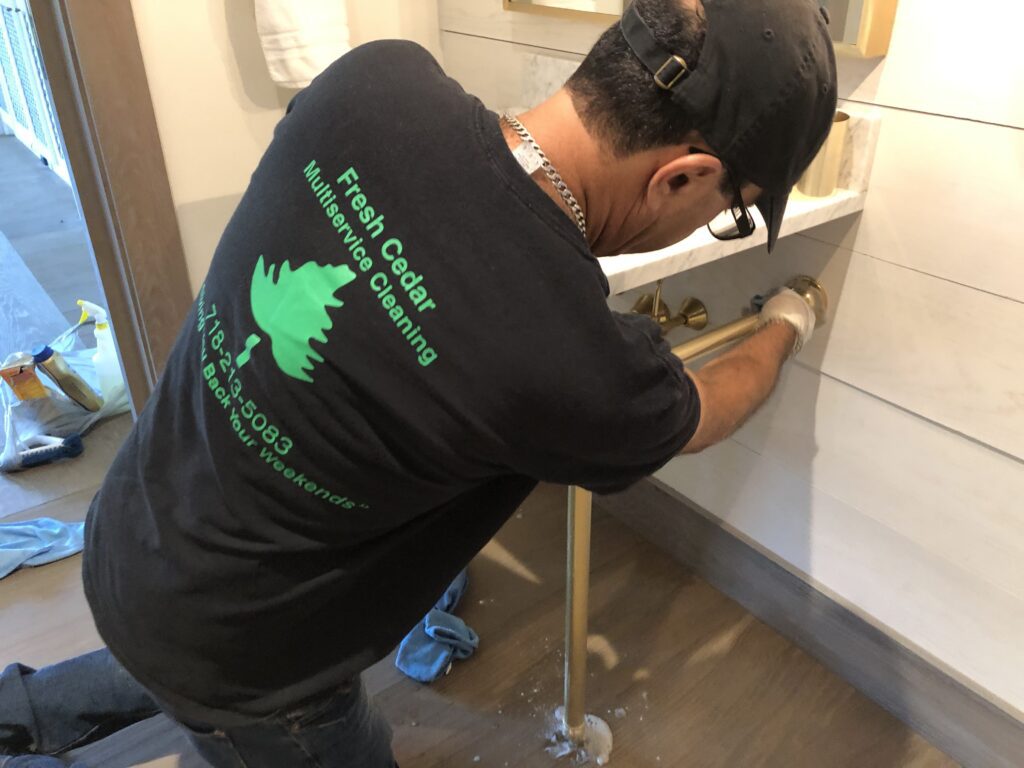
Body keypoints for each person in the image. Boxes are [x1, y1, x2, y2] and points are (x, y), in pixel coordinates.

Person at [0, 0, 836, 765]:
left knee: (173, 641)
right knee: (255, 703)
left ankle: (18, 712)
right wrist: (787, 322)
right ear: (681, 176)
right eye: (729, 208)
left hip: (134, 524)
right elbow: (706, 409)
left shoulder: (374, 83)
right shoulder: (575, 361)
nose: (710, 223)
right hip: (256, 658)